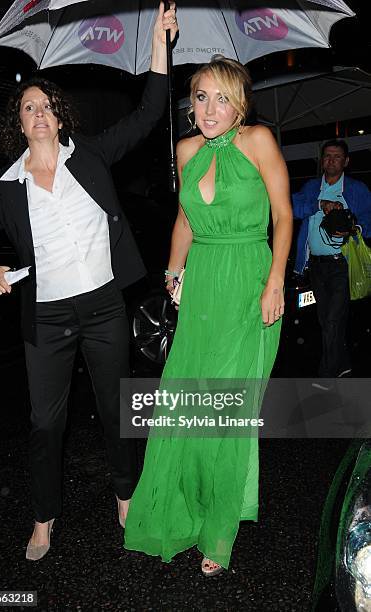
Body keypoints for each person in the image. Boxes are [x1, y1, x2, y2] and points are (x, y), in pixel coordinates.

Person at [0, 2, 178, 561]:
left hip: (106, 305)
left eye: (46, 107)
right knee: (45, 422)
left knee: (115, 408)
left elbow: (150, 110)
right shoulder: (3, 185)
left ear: (59, 119)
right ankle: (43, 518)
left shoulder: (91, 157)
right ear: (19, 122)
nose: (38, 114)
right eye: (28, 107)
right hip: (49, 316)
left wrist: (160, 42)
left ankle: (126, 496)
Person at [124, 57, 293, 575]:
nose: (210, 108)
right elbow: (184, 221)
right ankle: (187, 511)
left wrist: (274, 282)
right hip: (201, 290)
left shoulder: (258, 141)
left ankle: (218, 535)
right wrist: (172, 275)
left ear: (240, 102)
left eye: (222, 97)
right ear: (189, 102)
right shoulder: (186, 150)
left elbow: (285, 216)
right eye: (201, 97)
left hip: (248, 282)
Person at [292, 139, 371, 377]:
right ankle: (343, 364)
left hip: (342, 265)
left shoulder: (357, 189)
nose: (331, 160)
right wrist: (320, 204)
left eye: (337, 156)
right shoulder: (312, 187)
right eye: (327, 156)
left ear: (346, 161)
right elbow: (292, 208)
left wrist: (353, 228)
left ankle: (326, 375)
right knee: (326, 321)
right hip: (315, 265)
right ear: (321, 160)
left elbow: (368, 220)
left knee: (333, 321)